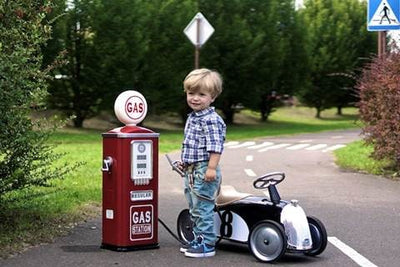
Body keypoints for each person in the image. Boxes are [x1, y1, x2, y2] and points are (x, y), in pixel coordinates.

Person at [179, 68, 226, 258]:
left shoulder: (211, 120)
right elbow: (192, 145)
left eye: (201, 94)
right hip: (192, 170)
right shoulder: (193, 117)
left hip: (204, 169)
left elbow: (216, 146)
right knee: (194, 206)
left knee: (203, 206)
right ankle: (198, 238)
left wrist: (211, 168)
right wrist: (184, 162)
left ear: (212, 97)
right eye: (191, 93)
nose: (195, 98)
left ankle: (207, 243)